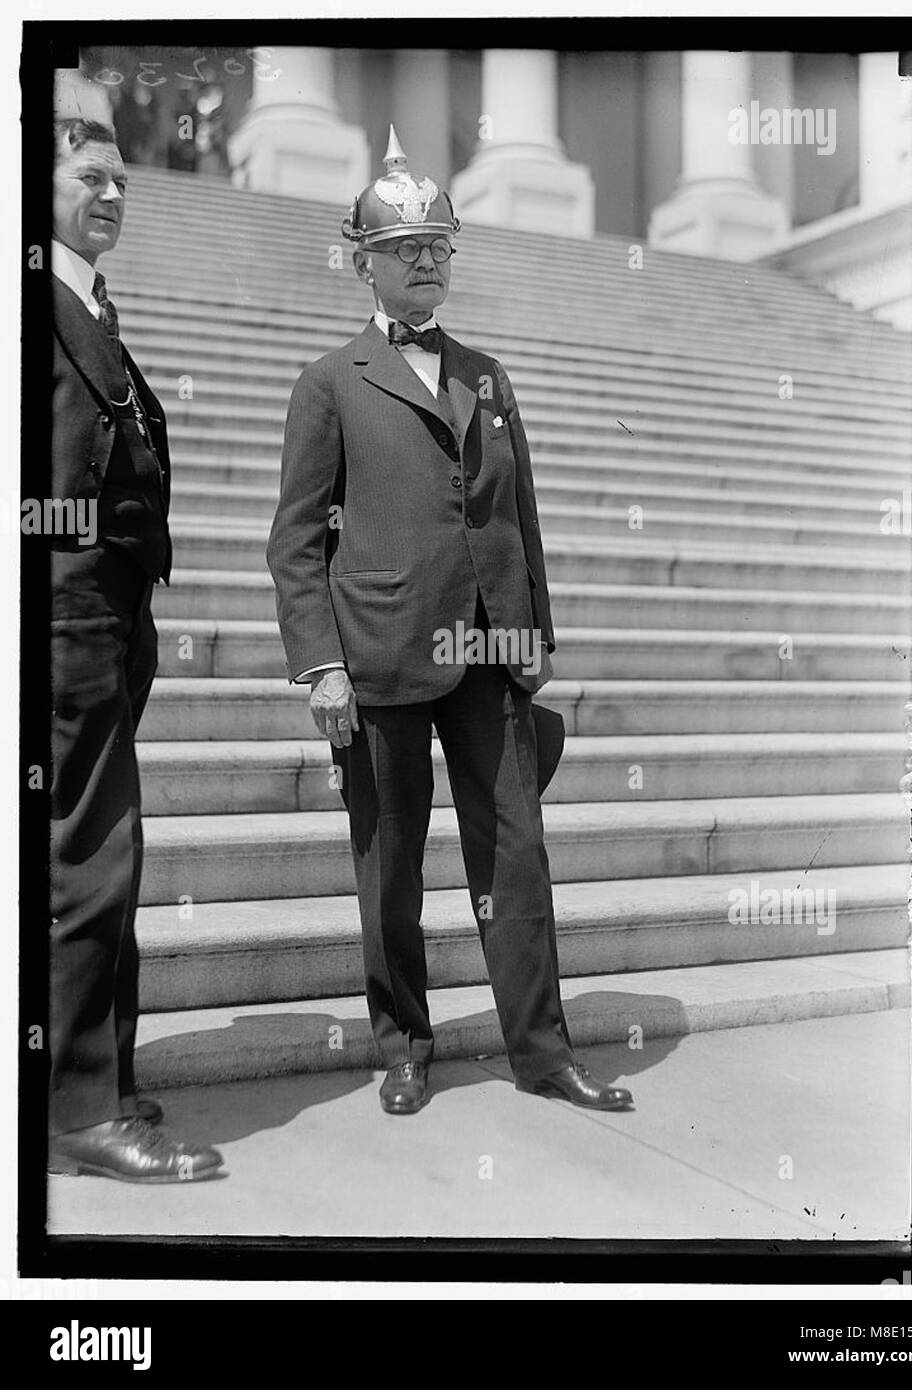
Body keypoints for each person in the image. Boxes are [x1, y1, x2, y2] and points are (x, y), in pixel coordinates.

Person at [268, 127, 634, 1116]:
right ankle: (402, 1041)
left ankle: (542, 1049)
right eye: (405, 247)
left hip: (490, 649)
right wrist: (319, 667)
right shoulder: (328, 383)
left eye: (438, 244)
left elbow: (521, 515)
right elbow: (295, 541)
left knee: (518, 854)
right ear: (366, 262)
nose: (426, 259)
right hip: (380, 651)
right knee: (390, 867)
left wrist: (537, 631)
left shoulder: (486, 372)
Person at [47, 117, 224, 1181]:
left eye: (122, 179)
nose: (113, 194)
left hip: (105, 616)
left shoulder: (85, 300)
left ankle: (93, 1080)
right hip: (70, 615)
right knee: (91, 856)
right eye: (88, 176)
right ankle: (80, 1109)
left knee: (94, 851)